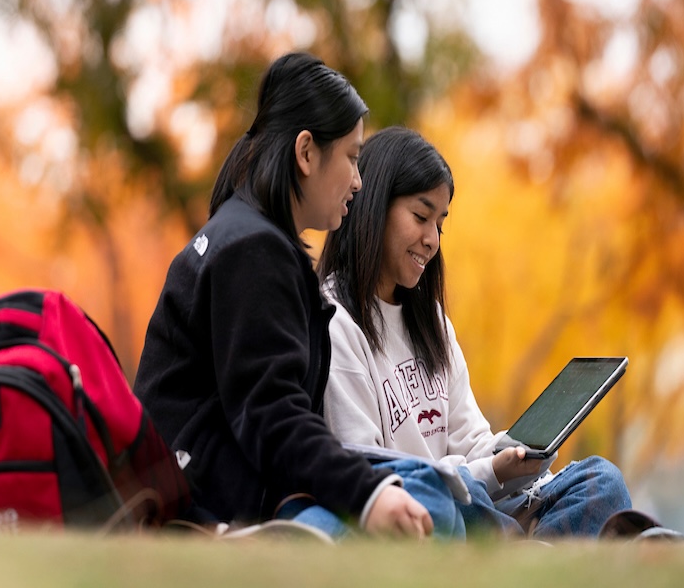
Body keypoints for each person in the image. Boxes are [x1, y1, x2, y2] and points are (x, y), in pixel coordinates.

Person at [133, 53, 458, 539]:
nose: (358, 179)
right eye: (351, 156)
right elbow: (272, 416)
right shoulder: (252, 250)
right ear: (306, 153)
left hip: (221, 484)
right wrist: (365, 495)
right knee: (430, 500)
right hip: (206, 501)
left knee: (424, 491)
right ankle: (275, 545)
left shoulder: (248, 237)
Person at [317, 125, 649, 539]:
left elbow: (470, 440)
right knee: (449, 500)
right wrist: (486, 474)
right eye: (421, 217)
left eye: (440, 224)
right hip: (414, 505)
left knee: (602, 480)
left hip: (475, 501)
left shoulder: (431, 321)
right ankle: (539, 552)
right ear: (374, 207)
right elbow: (370, 469)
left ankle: (523, 552)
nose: (432, 240)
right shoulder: (335, 319)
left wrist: (510, 456)